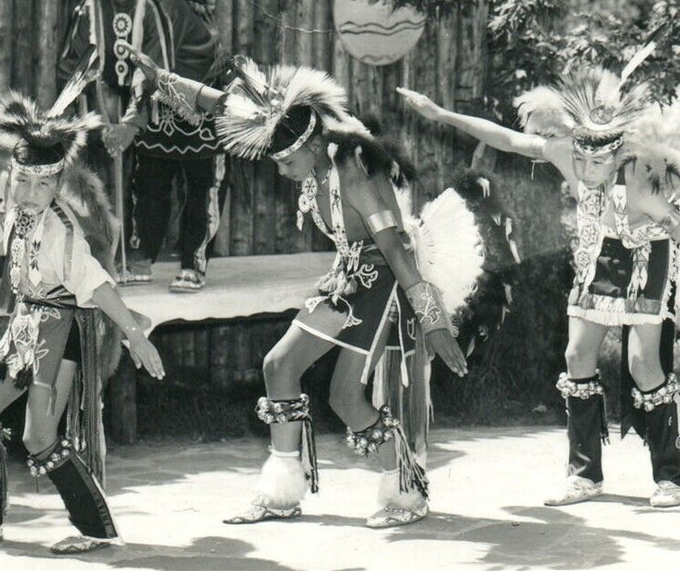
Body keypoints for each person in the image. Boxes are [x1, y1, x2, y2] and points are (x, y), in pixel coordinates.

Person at [126, 45, 513, 530]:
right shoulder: (305, 138)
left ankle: (406, 490)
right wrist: (162, 78)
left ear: (311, 147)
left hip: (386, 282)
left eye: (286, 162)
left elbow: (395, 248)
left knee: (345, 397)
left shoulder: (355, 171)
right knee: (279, 366)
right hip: (347, 275)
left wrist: (432, 319)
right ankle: (281, 492)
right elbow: (228, 105)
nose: (281, 171)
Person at [398, 55, 680, 509]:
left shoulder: (640, 183)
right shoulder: (567, 152)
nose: (585, 170)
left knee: (644, 365)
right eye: (580, 159)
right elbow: (508, 139)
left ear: (619, 155)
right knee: (577, 356)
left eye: (596, 162)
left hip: (648, 259)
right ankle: (584, 474)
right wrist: (440, 114)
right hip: (599, 257)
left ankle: (672, 475)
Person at [0, 93, 165, 555]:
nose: (31, 192)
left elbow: (96, 285)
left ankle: (94, 529)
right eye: (23, 181)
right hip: (24, 325)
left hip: (59, 331)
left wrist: (135, 336)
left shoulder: (61, 232)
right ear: (13, 176)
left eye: (43, 183)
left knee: (39, 437)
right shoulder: (14, 198)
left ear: (57, 183)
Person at [59, 0, 224, 292]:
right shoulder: (91, 11)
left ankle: (193, 262)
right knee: (149, 182)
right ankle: (142, 256)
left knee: (199, 183)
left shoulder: (159, 5)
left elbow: (156, 75)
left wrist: (129, 126)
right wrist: (78, 120)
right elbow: (74, 69)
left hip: (197, 98)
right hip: (152, 109)